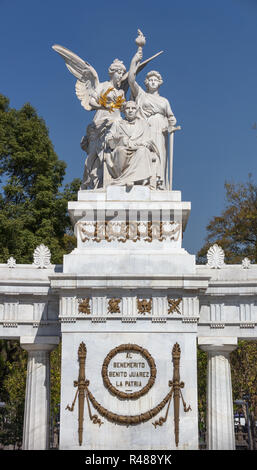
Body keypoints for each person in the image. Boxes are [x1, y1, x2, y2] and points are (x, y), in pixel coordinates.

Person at [128, 50, 177, 189]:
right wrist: (134, 60)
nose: (153, 82)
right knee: (144, 152)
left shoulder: (164, 101)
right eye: (150, 80)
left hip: (160, 129)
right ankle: (143, 179)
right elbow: (131, 79)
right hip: (145, 127)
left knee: (159, 154)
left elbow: (171, 117)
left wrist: (171, 125)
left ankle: (158, 182)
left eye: (155, 80)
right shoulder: (141, 95)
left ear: (159, 83)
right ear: (146, 82)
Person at [81, 59, 127, 189]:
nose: (121, 75)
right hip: (101, 121)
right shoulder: (102, 86)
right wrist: (104, 107)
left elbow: (123, 108)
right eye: (119, 72)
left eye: (122, 72)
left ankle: (109, 180)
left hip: (116, 121)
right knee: (93, 155)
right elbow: (91, 102)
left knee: (111, 151)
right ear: (112, 73)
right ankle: (87, 181)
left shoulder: (121, 92)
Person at [105, 101, 159, 188]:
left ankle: (133, 179)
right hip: (122, 149)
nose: (130, 110)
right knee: (120, 151)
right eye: (127, 108)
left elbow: (149, 141)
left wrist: (143, 144)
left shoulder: (144, 124)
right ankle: (124, 179)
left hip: (138, 149)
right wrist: (115, 138)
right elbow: (108, 138)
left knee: (143, 151)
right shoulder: (117, 124)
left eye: (133, 108)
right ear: (123, 110)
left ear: (137, 110)